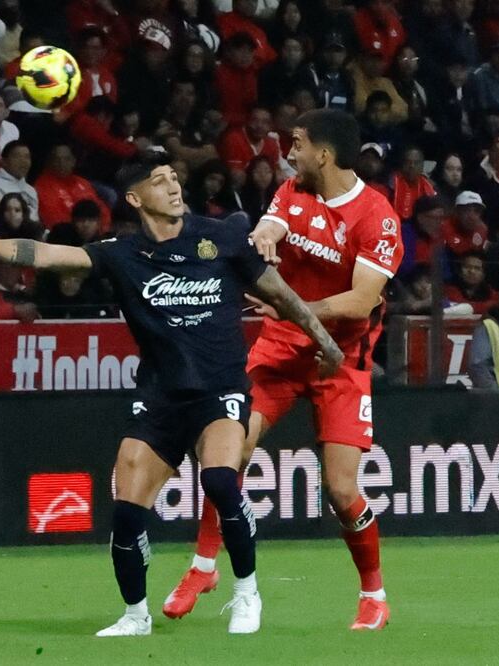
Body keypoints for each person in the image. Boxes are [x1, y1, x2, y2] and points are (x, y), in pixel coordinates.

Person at [0, 151, 343, 636]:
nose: (174, 187)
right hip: (160, 398)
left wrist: (324, 340)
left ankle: (246, 593)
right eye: (160, 181)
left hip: (219, 391)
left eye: (175, 178)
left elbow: (281, 295)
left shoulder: (223, 237)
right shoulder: (122, 254)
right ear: (135, 198)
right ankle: (135, 616)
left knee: (219, 481)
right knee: (127, 517)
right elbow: (42, 255)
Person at [167, 109, 401, 631]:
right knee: (224, 452)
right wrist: (266, 236)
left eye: (296, 143)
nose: (287, 151)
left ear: (324, 153)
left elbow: (362, 301)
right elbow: (272, 223)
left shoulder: (375, 216)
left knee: (341, 491)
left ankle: (374, 595)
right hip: (278, 351)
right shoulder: (293, 190)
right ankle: (203, 567)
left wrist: (293, 306)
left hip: (340, 361)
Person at [0, 140, 38, 220]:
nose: (23, 162)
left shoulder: (31, 190)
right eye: (17, 157)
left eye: (27, 157)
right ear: (4, 161)